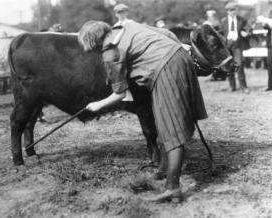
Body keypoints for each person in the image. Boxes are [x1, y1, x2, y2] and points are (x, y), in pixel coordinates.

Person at [78, 20, 207, 202]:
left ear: (94, 42)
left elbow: (119, 94)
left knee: (172, 128)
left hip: (166, 70)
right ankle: (164, 170)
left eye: (91, 48)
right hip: (181, 56)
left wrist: (98, 104)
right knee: (166, 121)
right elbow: (167, 34)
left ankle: (173, 189)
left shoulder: (110, 53)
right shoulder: (125, 26)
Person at [221, 2, 251, 93]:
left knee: (239, 65)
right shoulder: (223, 21)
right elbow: (219, 32)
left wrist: (245, 32)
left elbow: (249, 28)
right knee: (229, 66)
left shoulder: (242, 20)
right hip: (227, 46)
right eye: (231, 10)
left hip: (237, 45)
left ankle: (244, 87)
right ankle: (232, 86)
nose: (233, 12)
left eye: (235, 10)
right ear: (227, 11)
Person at [257, 15, 272, 91]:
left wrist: (265, 20)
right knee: (270, 66)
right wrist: (264, 23)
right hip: (270, 46)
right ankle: (270, 86)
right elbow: (266, 27)